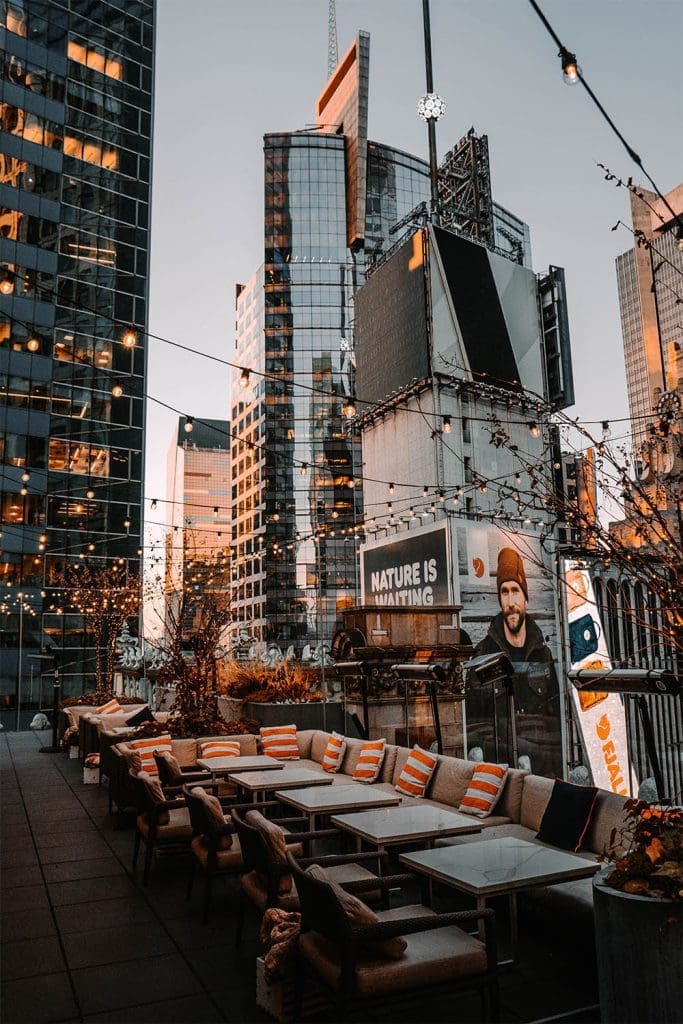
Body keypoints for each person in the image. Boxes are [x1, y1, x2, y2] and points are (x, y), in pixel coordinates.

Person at [468, 547, 561, 775]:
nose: (510, 601)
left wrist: (539, 763)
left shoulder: (543, 655)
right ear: (499, 599)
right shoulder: (482, 655)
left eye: (515, 591)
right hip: (498, 769)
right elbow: (472, 719)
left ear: (525, 598)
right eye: (504, 592)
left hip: (539, 771)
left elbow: (555, 720)